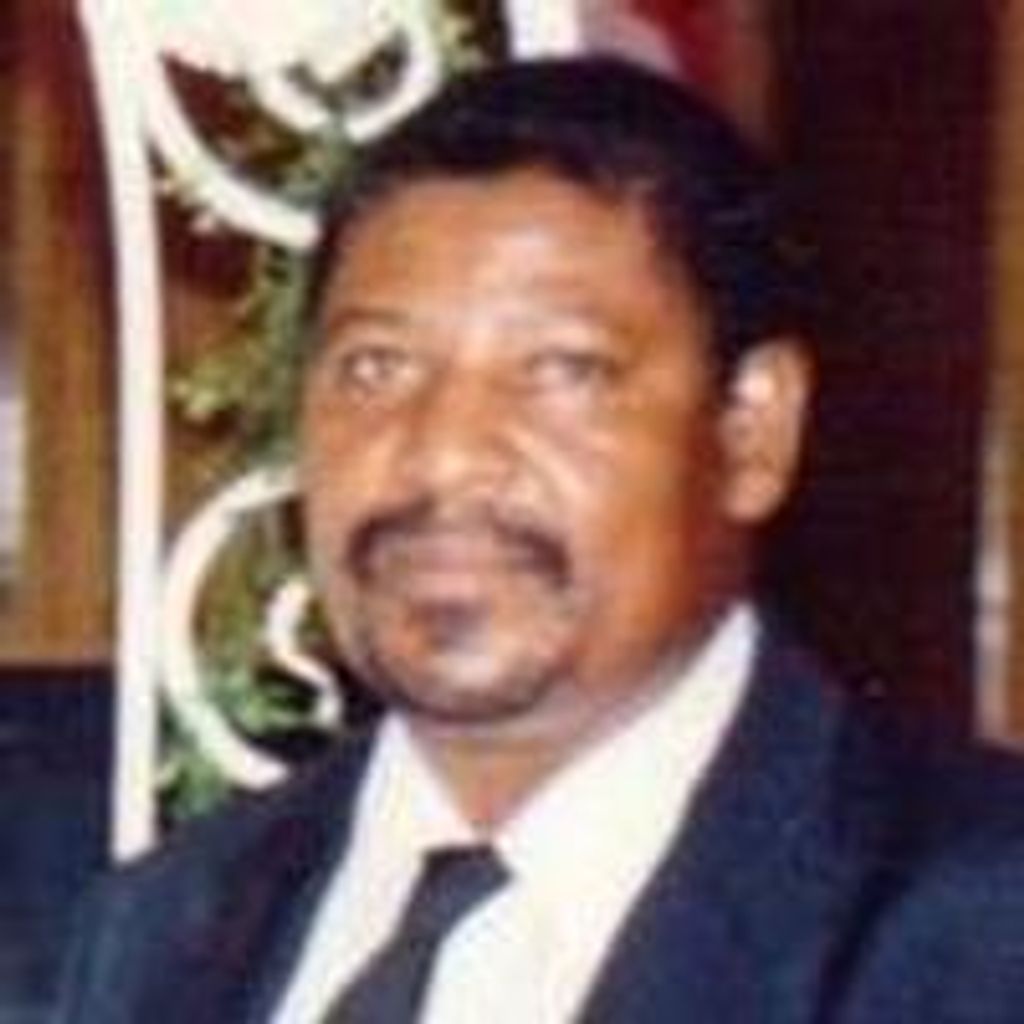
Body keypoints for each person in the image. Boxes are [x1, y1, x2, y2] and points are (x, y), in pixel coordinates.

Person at [58, 57, 1024, 1023]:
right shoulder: (164, 934)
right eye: (377, 367)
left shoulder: (981, 934)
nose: (442, 455)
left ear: (750, 431)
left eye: (562, 371)